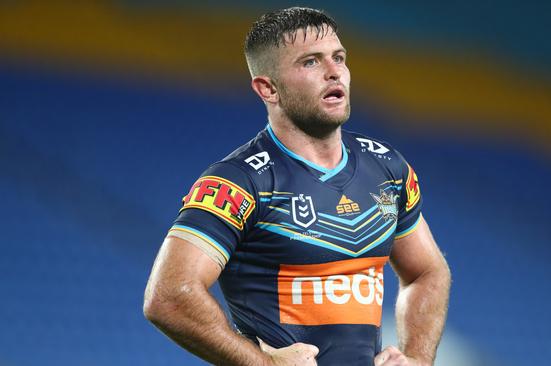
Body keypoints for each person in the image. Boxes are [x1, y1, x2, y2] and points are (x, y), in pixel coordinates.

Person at [143, 7, 451, 366]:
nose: (334, 72)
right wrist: (264, 363)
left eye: (339, 58)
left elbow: (427, 271)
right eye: (310, 62)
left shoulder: (387, 169)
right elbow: (169, 297)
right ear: (268, 88)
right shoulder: (239, 182)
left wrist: (417, 358)